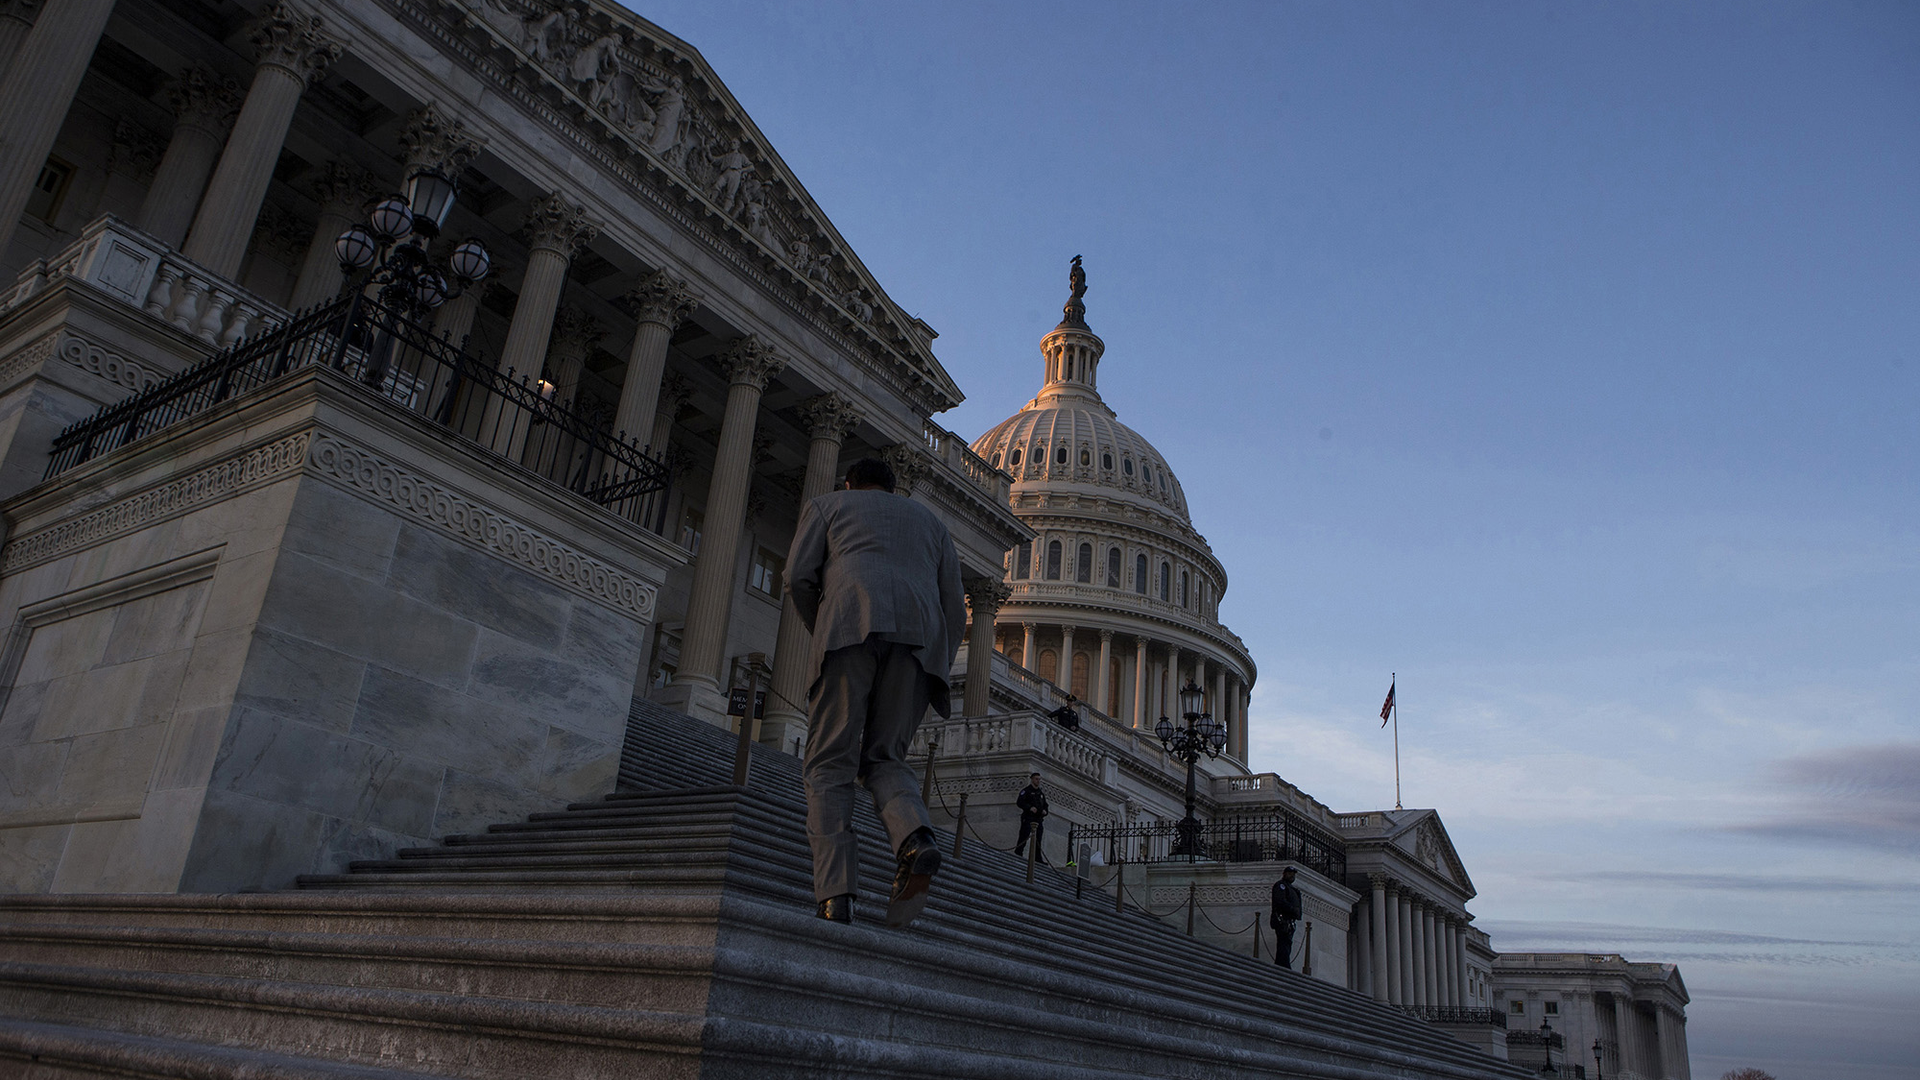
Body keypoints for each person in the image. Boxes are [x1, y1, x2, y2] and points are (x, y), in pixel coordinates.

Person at [787, 457, 966, 927]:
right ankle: (915, 838)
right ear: (893, 488)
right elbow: (955, 608)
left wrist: (825, 626)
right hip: (920, 642)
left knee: (829, 765)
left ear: (850, 483)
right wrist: (934, 668)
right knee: (886, 758)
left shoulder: (829, 506)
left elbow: (797, 578)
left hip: (849, 627)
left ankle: (836, 895)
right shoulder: (932, 525)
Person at [1270, 866, 1303, 969]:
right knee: (1283, 942)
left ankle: (1282, 963)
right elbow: (1280, 901)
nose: (1292, 876)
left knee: (1287, 943)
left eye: (1293, 874)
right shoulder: (1281, 886)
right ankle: (1283, 965)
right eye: (1289, 873)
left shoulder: (1293, 889)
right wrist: (1292, 909)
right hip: (1282, 919)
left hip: (1290, 920)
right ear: (1284, 874)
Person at [1014, 773, 1049, 860]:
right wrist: (1029, 808)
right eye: (1036, 779)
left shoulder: (1040, 793)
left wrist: (1045, 811)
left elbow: (1045, 805)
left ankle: (1037, 857)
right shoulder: (1026, 791)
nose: (1038, 781)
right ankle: (1019, 853)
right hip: (1028, 817)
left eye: (1039, 779)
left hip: (1038, 818)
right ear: (1032, 779)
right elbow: (1020, 802)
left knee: (1038, 838)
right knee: (1024, 835)